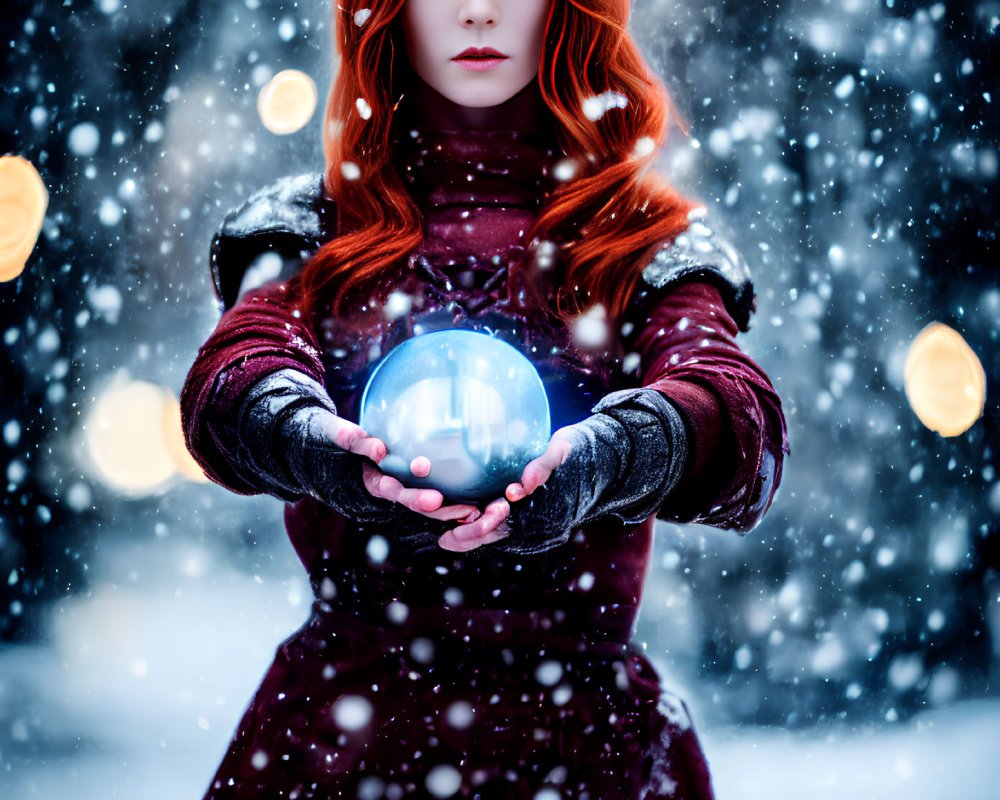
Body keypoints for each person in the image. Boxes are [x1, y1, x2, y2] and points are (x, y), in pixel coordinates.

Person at [181, 0, 788, 797]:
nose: (476, 12)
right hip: (341, 747)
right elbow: (234, 373)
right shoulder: (314, 234)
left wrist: (617, 455)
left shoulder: (643, 243)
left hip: (579, 751)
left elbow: (738, 418)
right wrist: (303, 437)